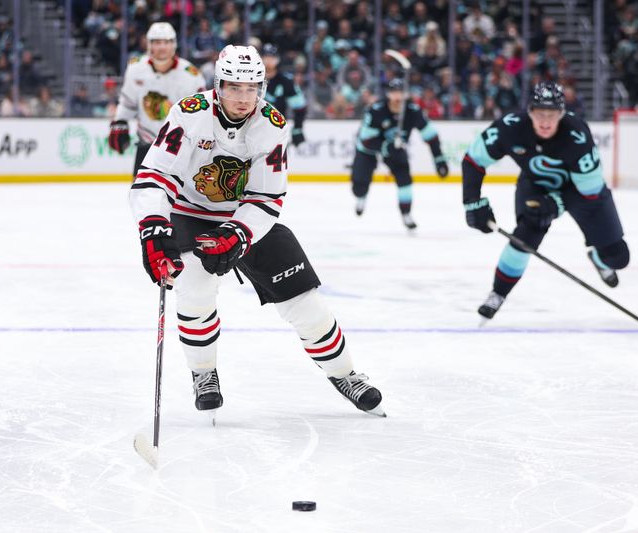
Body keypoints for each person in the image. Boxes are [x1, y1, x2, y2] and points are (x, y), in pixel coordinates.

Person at [128, 44, 385, 417]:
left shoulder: (272, 124)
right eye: (234, 87)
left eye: (252, 88)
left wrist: (237, 233)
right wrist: (153, 229)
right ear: (218, 85)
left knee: (306, 303)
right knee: (196, 291)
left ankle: (345, 374)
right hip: (189, 214)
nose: (244, 97)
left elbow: (266, 197)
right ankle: (204, 374)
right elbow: (154, 176)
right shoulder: (189, 113)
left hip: (246, 218)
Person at [462, 81, 630, 322]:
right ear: (529, 112)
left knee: (619, 257)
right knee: (523, 238)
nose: (545, 122)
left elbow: (590, 192)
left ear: (562, 114)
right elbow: (473, 161)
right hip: (536, 186)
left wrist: (556, 205)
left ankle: (599, 257)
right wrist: (472, 202)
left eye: (551, 115)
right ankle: (497, 294)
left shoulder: (577, 136)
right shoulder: (511, 128)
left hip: (581, 192)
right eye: (540, 114)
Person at [351, 78, 449, 230]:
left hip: (395, 149)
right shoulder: (376, 110)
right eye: (393, 93)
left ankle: (406, 213)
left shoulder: (413, 111)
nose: (397, 97)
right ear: (388, 94)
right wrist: (385, 146)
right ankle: (362, 196)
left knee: (405, 177)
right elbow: (365, 141)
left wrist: (439, 159)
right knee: (359, 184)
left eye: (400, 93)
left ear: (405, 94)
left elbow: (431, 137)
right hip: (370, 149)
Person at [109, 22, 206, 175]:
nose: (162, 47)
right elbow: (128, 102)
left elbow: (201, 115)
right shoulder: (135, 68)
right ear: (149, 45)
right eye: (157, 42)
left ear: (174, 45)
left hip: (179, 148)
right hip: (146, 144)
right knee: (141, 196)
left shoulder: (191, 75)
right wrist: (120, 122)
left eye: (166, 42)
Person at [260, 44, 307, 147]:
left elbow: (300, 107)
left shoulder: (286, 81)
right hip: (251, 128)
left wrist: (297, 129)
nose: (268, 60)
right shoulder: (251, 79)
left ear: (277, 59)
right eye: (266, 56)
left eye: (272, 57)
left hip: (276, 130)